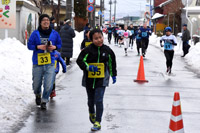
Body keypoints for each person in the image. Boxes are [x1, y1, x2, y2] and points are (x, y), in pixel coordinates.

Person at [76, 29, 117, 131]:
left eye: (100, 37)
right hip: (89, 79)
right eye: (96, 38)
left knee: (99, 100)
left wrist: (113, 75)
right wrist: (87, 67)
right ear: (91, 39)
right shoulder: (88, 50)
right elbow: (80, 60)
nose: (99, 40)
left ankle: (98, 122)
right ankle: (91, 112)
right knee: (91, 101)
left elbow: (112, 62)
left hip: (102, 79)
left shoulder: (107, 50)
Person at [27, 14, 62, 110]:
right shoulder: (35, 33)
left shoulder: (55, 33)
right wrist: (38, 47)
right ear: (40, 22)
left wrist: (54, 47)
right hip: (37, 62)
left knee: (48, 84)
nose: (46, 22)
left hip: (50, 62)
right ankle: (38, 94)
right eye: (44, 20)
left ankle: (44, 100)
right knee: (36, 84)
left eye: (47, 20)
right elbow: (29, 45)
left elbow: (59, 44)